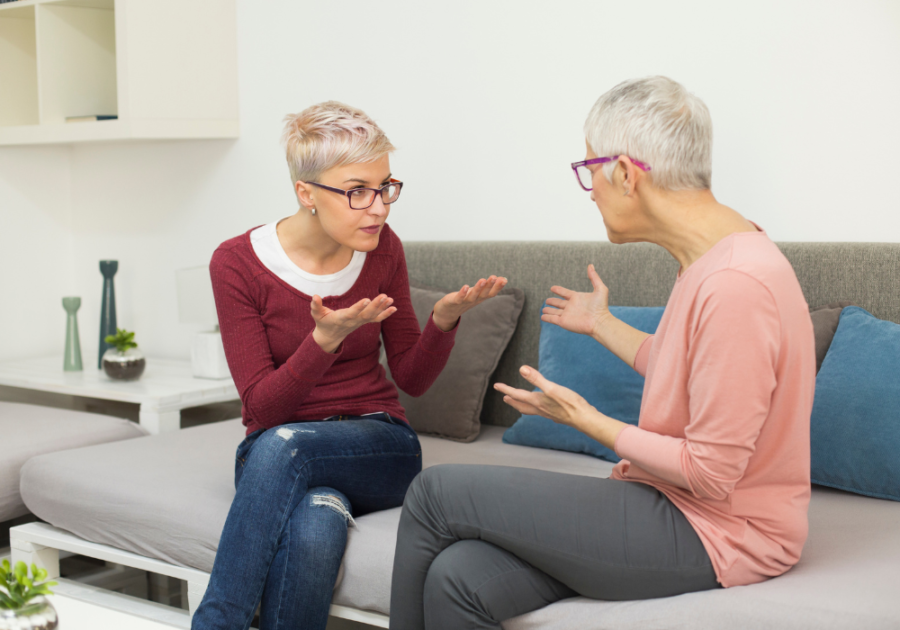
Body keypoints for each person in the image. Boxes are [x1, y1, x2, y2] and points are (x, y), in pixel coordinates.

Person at [388, 76, 815, 630]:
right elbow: (691, 369)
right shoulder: (715, 255)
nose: (590, 190)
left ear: (623, 173)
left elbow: (711, 476)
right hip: (672, 505)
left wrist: (587, 420)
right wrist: (602, 324)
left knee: (434, 494)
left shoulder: (736, 282)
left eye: (588, 172)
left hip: (719, 530)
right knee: (459, 578)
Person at [191, 101, 507, 630]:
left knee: (284, 448)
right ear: (306, 192)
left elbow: (411, 378)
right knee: (316, 524)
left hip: (379, 445)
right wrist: (322, 342)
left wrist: (444, 321)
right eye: (357, 191)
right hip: (278, 445)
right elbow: (262, 408)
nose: (379, 208)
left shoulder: (384, 251)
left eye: (385, 187)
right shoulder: (237, 263)